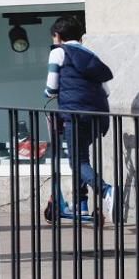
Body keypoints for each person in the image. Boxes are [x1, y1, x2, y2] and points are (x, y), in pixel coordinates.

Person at [43, 15, 118, 222]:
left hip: (74, 116)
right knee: (81, 158)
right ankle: (81, 205)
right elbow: (106, 90)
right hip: (98, 116)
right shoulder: (89, 55)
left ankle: (106, 191)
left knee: (77, 162)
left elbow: (51, 87)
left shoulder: (59, 52)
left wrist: (49, 94)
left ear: (57, 36)